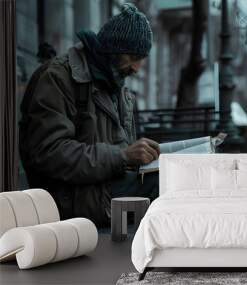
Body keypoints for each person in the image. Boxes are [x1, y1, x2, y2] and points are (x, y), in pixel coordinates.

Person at [19, 3, 159, 226]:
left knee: (171, 178)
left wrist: (143, 158)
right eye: (133, 56)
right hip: (70, 199)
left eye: (142, 58)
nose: (137, 68)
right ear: (113, 50)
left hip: (103, 188)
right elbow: (49, 153)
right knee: (160, 184)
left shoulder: (117, 85)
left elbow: (122, 151)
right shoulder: (57, 77)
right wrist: (122, 156)